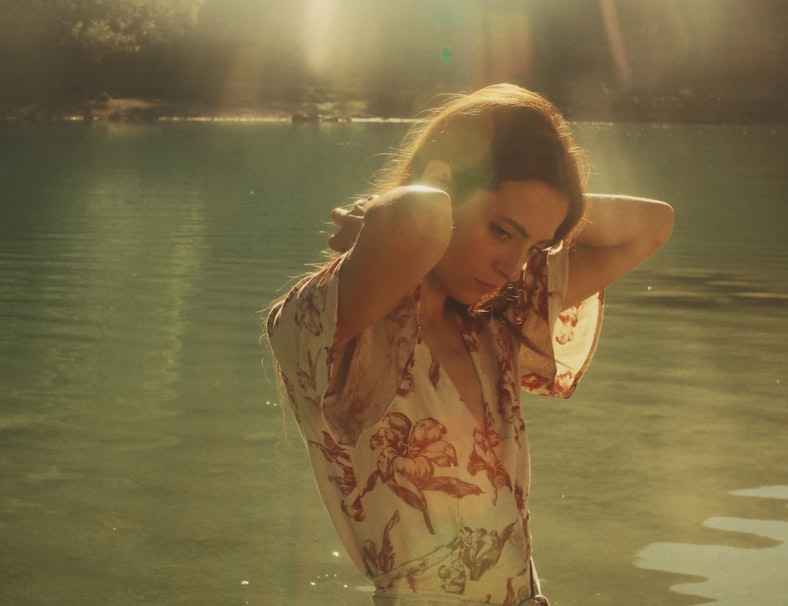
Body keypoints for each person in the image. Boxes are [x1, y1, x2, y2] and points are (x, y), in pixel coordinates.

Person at [265, 83, 673, 606]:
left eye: (535, 246)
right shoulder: (329, 327)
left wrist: (549, 211)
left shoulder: (496, 325)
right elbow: (416, 215)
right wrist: (392, 213)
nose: (514, 267)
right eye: (502, 232)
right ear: (441, 185)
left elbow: (653, 225)